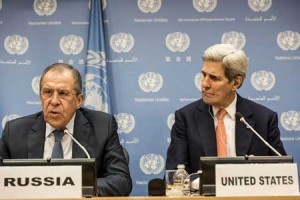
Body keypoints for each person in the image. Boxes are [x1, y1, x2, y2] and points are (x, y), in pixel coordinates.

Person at [0, 63, 132, 196]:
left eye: (63, 93)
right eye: (48, 92)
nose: (54, 101)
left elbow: (121, 181)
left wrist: (74, 188)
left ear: (79, 100)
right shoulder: (14, 132)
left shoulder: (102, 126)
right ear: (40, 96)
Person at [166, 43, 287, 176]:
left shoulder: (264, 119)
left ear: (236, 82)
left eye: (214, 78)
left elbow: (282, 173)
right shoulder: (185, 118)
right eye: (204, 75)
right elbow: (174, 175)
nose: (204, 84)